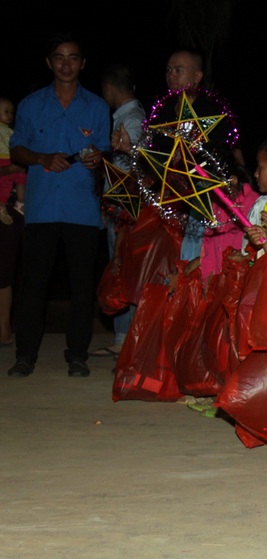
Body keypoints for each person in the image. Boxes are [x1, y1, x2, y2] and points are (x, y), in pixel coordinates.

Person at [7, 33, 109, 378]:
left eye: (73, 57)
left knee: (83, 286)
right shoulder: (31, 104)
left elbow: (105, 152)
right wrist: (41, 157)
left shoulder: (96, 107)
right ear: (49, 62)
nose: (66, 64)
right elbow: (17, 147)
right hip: (43, 208)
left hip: (82, 208)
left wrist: (98, 159)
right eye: (59, 57)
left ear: (83, 63)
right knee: (34, 283)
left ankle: (77, 354)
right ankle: (25, 355)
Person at [90, 64, 146, 358]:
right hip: (123, 205)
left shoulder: (132, 120)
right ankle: (124, 337)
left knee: (124, 267)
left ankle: (126, 339)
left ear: (109, 88)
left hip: (128, 206)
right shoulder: (130, 117)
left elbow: (137, 167)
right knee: (123, 267)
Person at [0, 96, 27, 347]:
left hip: (9, 210)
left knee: (5, 273)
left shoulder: (13, 140)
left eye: (10, 111)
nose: (7, 116)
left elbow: (21, 174)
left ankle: (4, 330)